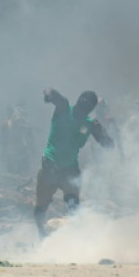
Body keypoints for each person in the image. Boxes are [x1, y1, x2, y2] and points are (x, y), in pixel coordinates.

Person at [33, 88, 113, 237]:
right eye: (84, 104)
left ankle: (76, 238)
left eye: (88, 106)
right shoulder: (64, 109)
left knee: (72, 203)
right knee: (41, 208)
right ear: (78, 102)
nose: (84, 108)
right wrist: (49, 94)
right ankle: (42, 235)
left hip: (68, 169)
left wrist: (102, 133)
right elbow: (55, 96)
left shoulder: (89, 124)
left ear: (90, 108)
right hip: (50, 167)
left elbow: (107, 144)